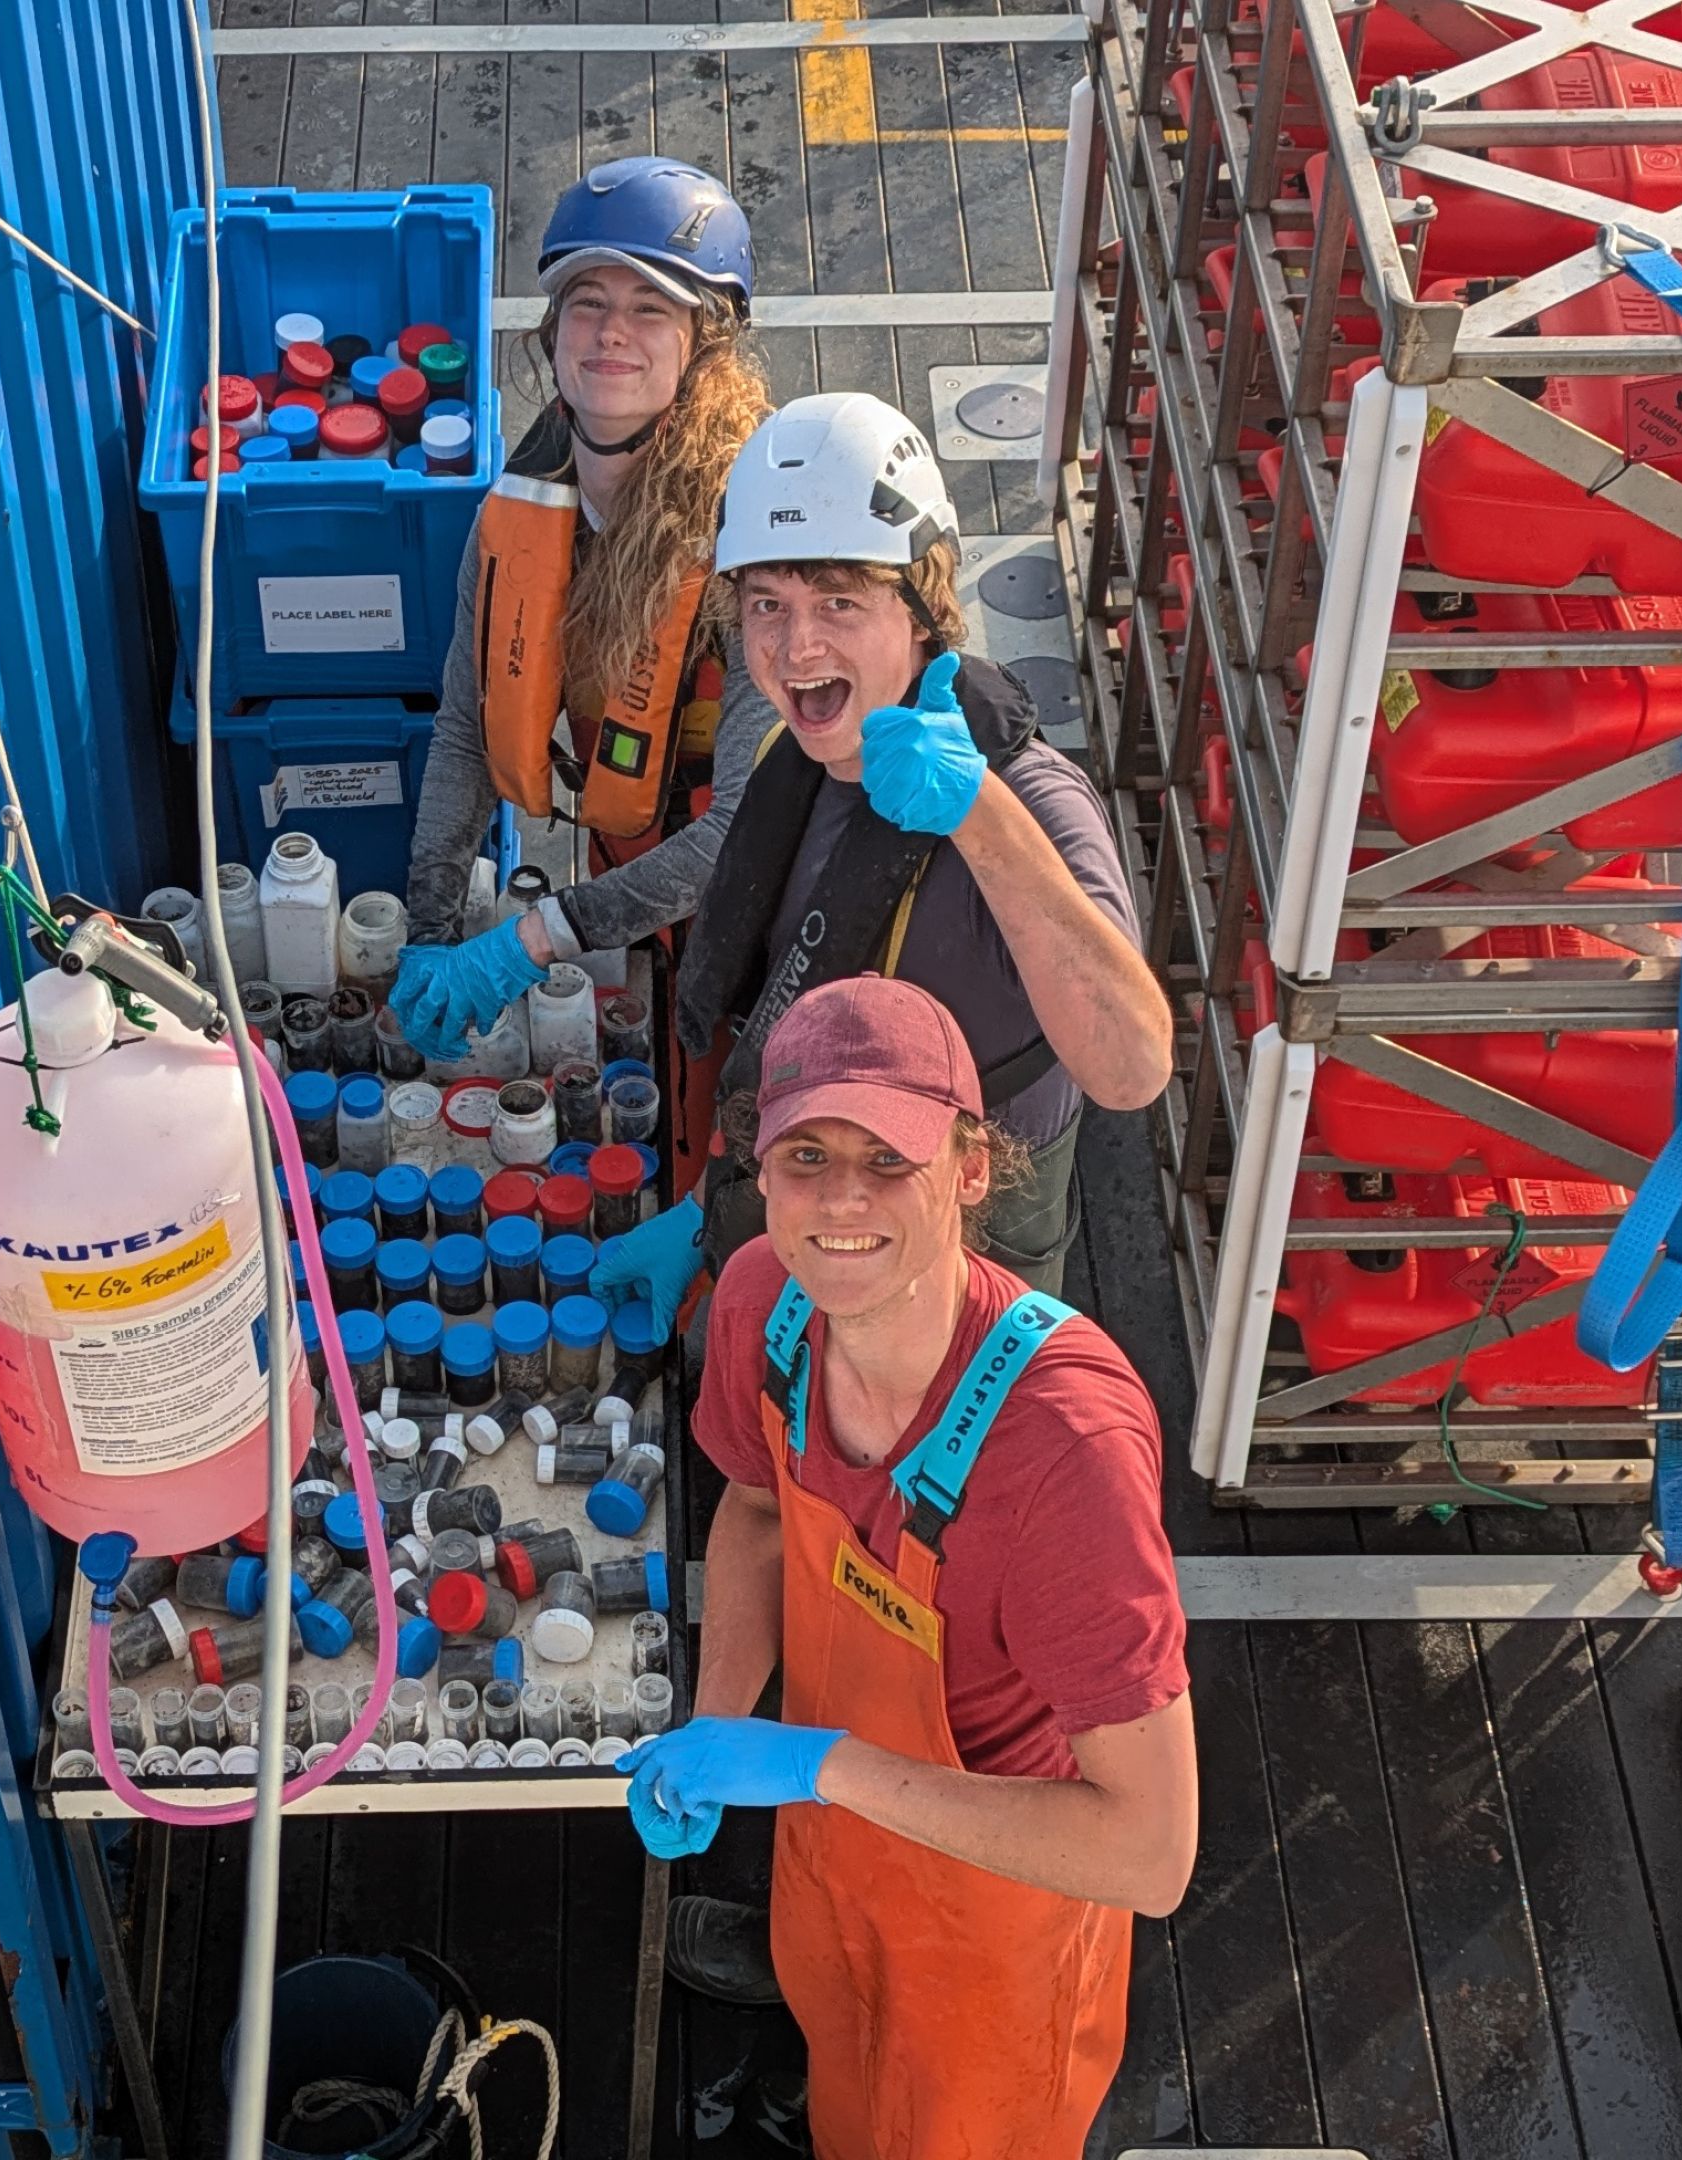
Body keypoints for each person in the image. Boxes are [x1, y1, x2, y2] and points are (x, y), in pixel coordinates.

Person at [617, 975, 1195, 2160]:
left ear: (974, 1169)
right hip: (831, 1845)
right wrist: (728, 1729)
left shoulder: (1065, 1452)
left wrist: (818, 1759)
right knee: (842, 2069)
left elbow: (1148, 1853)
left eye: (891, 1159)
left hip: (996, 1922)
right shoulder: (762, 1306)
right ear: (758, 1168)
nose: (842, 1200)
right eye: (807, 1154)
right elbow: (758, 1514)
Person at [592, 392, 1174, 1321]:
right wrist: (710, 1212)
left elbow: (1132, 1067)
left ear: (923, 609)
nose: (796, 646)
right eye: (766, 605)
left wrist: (976, 813)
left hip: (976, 1242)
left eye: (839, 601)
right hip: (822, 1189)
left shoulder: (1034, 802)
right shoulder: (802, 764)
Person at [391, 157, 780, 1061]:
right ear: (552, 327)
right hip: (630, 875)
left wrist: (533, 942)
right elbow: (464, 729)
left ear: (705, 345)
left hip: (766, 901)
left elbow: (743, 832)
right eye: (588, 302)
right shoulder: (525, 506)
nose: (613, 333)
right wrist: (429, 925)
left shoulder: (756, 538)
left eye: (651, 308)